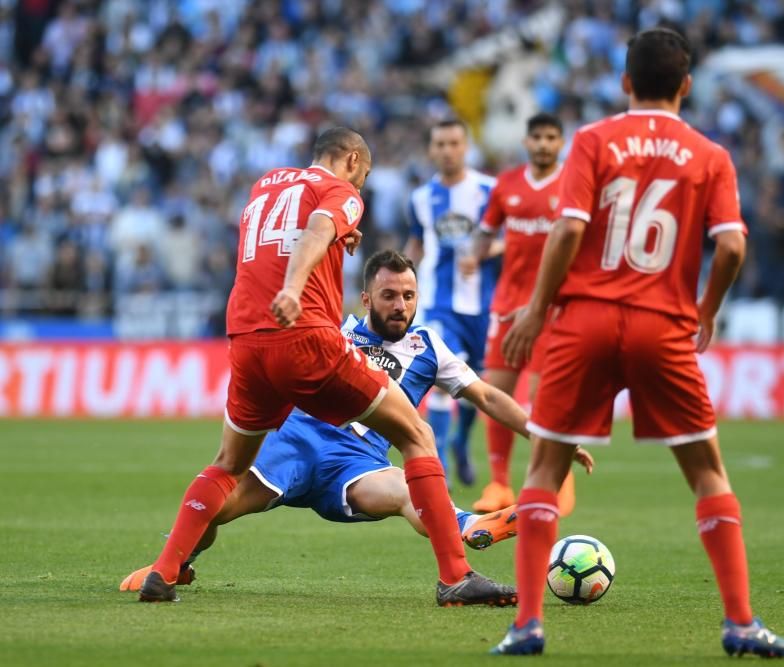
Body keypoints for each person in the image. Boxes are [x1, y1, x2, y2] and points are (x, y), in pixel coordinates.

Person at [492, 29, 784, 658]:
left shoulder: (594, 140)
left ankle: (527, 625)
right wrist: (705, 311)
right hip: (664, 324)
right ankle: (741, 625)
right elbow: (734, 245)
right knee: (707, 472)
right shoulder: (709, 153)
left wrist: (536, 310)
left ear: (624, 83)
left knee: (545, 470)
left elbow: (568, 232)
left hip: (584, 322)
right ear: (686, 85)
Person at [138, 127, 515, 608]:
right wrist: (295, 288)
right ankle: (456, 576)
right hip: (305, 337)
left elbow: (289, 233)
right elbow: (317, 228)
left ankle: (166, 569)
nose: (359, 191)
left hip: (246, 339)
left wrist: (334, 241)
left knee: (228, 465)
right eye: (364, 178)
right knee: (417, 435)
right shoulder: (341, 192)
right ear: (353, 161)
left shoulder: (267, 185)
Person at [120, 251, 594, 594]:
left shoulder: (429, 346)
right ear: (367, 297)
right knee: (218, 506)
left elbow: (488, 395)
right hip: (295, 447)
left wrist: (544, 435)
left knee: (412, 487)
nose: (399, 306)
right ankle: (176, 562)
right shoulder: (336, 329)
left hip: (357, 465)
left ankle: (468, 526)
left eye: (408, 296)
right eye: (389, 296)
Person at [459, 113, 573, 515]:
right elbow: (488, 232)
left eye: (551, 137)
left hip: (555, 307)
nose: (543, 144)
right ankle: (499, 483)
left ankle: (559, 475)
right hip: (508, 304)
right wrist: (474, 256)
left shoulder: (573, 184)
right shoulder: (507, 184)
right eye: (537, 137)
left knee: (548, 397)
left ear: (561, 143)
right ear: (527, 142)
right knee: (496, 390)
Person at [404, 120, 499, 486]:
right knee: (444, 379)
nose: (447, 150)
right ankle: (438, 464)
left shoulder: (489, 190)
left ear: (466, 146)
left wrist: (484, 252)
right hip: (439, 303)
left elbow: (511, 239)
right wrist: (399, 269)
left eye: (453, 143)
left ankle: (461, 442)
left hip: (482, 304)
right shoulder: (420, 198)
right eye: (440, 144)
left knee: (473, 384)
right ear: (431, 149)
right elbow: (418, 242)